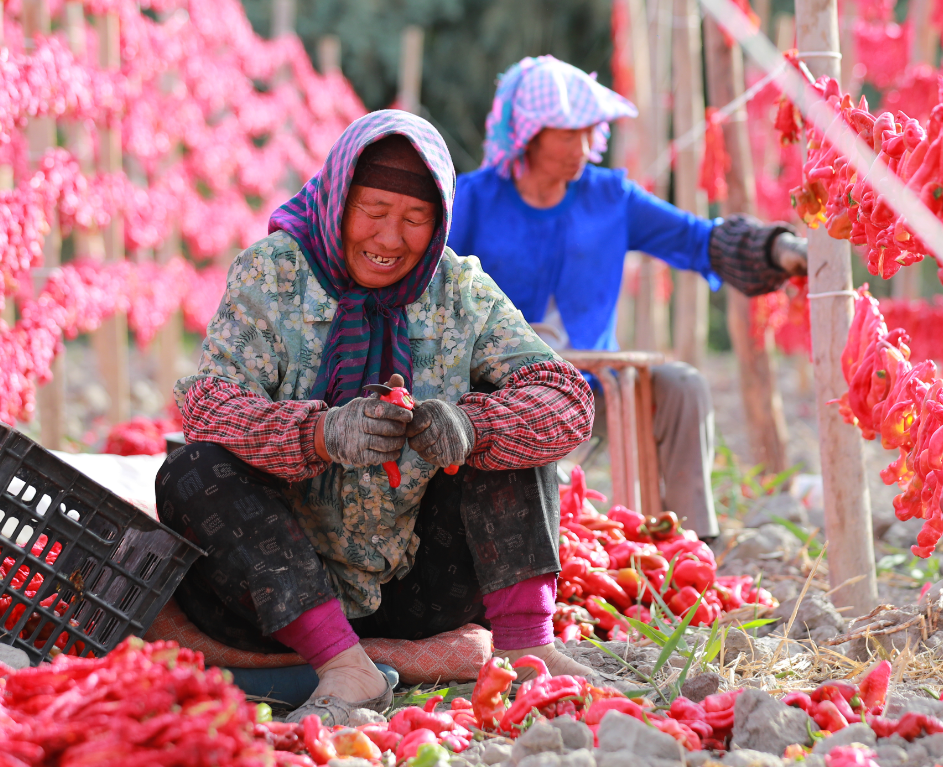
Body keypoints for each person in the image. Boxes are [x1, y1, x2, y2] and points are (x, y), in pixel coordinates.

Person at [160, 110, 606, 724]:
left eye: (416, 219)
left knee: (514, 429)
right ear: (338, 199)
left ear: (441, 220)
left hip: (418, 588)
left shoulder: (459, 291)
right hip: (276, 593)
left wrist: (474, 427)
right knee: (190, 469)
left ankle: (528, 648)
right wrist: (316, 434)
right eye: (372, 210)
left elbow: (566, 398)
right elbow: (208, 405)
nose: (391, 238)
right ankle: (342, 664)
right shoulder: (272, 273)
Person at [448, 56, 808, 540]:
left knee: (682, 385)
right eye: (567, 134)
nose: (584, 148)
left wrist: (777, 249)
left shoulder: (610, 198)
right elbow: (431, 281)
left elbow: (697, 239)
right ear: (529, 135)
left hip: (597, 386)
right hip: (502, 394)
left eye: (589, 133)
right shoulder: (472, 201)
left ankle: (691, 542)